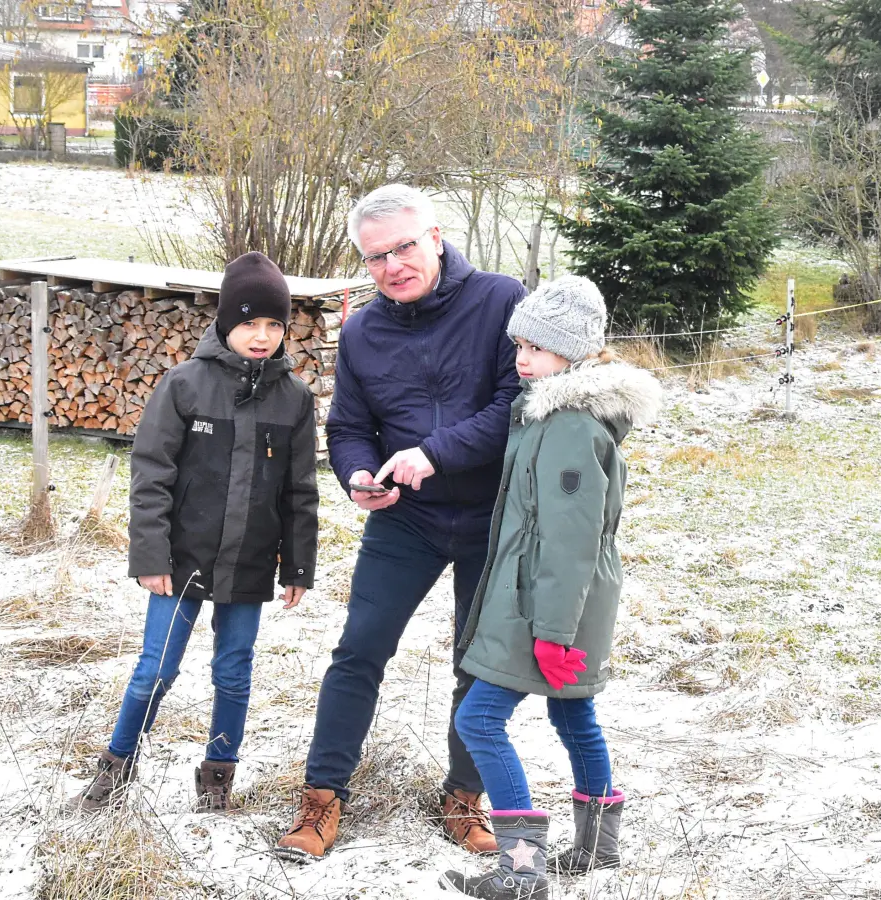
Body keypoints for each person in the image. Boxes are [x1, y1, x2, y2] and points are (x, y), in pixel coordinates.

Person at [276, 185, 525, 861]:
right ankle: (321, 800)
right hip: (405, 521)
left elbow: (517, 404)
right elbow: (350, 428)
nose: (392, 266)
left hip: (493, 517)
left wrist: (434, 453)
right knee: (358, 653)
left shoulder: (502, 300)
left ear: (436, 237)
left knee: (478, 664)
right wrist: (356, 476)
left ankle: (463, 800)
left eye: (404, 247)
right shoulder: (362, 331)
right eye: (376, 256)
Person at [71, 251, 320, 813]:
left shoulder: (295, 398)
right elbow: (151, 475)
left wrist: (298, 565)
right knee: (155, 670)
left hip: (251, 562)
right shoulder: (184, 384)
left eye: (274, 325)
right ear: (226, 323)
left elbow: (300, 490)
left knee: (234, 671)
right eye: (250, 323)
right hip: (180, 560)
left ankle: (217, 776)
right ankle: (116, 766)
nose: (262, 336)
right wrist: (149, 555)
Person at [439, 276, 661, 900]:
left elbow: (570, 540)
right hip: (553, 601)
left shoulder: (568, 426)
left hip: (543, 605)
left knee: (480, 718)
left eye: (536, 348)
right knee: (574, 713)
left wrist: (553, 632)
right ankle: (596, 847)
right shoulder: (548, 414)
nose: (522, 360)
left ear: (574, 352)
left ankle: (520, 866)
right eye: (518, 346)